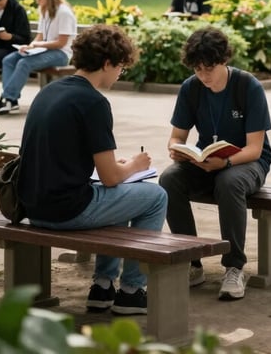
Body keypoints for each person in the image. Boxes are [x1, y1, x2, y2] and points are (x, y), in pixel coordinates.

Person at [17, 25, 168, 316]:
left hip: (33, 206)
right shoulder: (94, 102)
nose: (119, 74)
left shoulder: (49, 91)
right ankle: (132, 290)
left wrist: (119, 170)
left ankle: (102, 287)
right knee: (156, 196)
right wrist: (134, 166)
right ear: (108, 63)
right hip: (66, 211)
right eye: (121, 68)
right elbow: (110, 177)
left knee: (118, 196)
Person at [159, 27, 271, 301]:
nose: (203, 76)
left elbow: (255, 149)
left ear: (223, 60)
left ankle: (234, 266)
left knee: (229, 181)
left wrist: (224, 164)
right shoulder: (191, 88)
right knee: (169, 179)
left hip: (246, 163)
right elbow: (177, 135)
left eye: (208, 69)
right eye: (197, 70)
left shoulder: (248, 87)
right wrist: (176, 149)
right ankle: (191, 261)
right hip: (206, 159)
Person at [0, 0, 78, 115]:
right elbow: (41, 36)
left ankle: (7, 99)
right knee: (8, 60)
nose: (38, 2)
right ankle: (11, 101)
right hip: (44, 50)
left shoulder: (64, 12)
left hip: (60, 54)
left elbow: (61, 43)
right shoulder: (44, 10)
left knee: (24, 63)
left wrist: (39, 45)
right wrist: (29, 46)